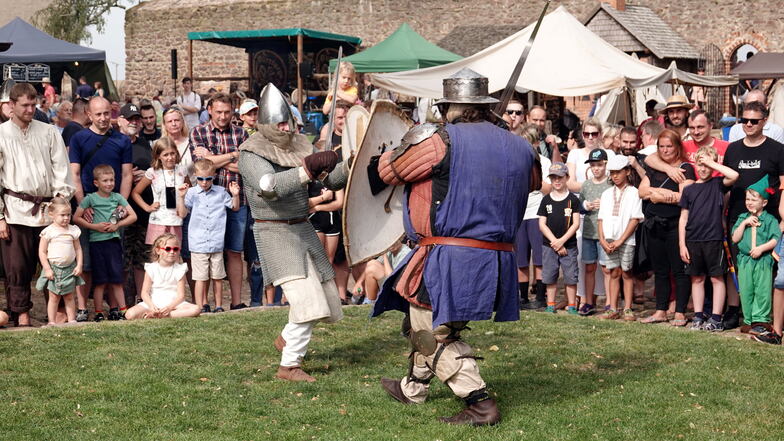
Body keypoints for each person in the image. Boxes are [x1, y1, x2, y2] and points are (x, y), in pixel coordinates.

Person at [371, 68, 535, 425]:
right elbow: (532, 181)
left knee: (426, 328)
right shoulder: (522, 146)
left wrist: (374, 158)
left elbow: (386, 172)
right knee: (443, 327)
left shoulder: (440, 140)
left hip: (450, 255)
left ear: (450, 108)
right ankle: (412, 387)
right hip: (497, 257)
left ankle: (479, 402)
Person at [238, 82, 348, 383]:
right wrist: (307, 170)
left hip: (303, 228)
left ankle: (287, 337)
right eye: (281, 123)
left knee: (324, 297)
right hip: (275, 233)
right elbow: (268, 187)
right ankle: (289, 366)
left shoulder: (301, 144)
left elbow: (331, 182)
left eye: (289, 121)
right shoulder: (250, 153)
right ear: (266, 123)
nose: (286, 128)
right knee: (307, 301)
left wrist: (350, 163)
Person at [0, 82, 74, 327]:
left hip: (47, 209)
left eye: (33, 104)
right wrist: (0, 216)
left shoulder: (49, 131)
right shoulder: (1, 134)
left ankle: (57, 312)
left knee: (54, 261)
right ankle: (21, 314)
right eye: (25, 105)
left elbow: (62, 171)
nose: (30, 110)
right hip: (15, 210)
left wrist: (60, 204)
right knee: (18, 267)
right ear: (11, 105)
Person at [722, 101, 784, 329]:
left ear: (764, 121)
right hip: (738, 217)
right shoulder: (733, 148)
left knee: (767, 269)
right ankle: (735, 311)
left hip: (768, 219)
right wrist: (722, 216)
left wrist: (783, 218)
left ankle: (765, 315)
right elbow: (726, 187)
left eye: (754, 121)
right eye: (744, 120)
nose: (748, 124)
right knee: (737, 266)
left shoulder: (777, 150)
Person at [189, 92, 249, 310]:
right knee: (206, 254)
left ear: (233, 111)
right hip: (206, 203)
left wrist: (214, 160)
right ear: (210, 111)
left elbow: (246, 166)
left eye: (227, 112)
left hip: (236, 200)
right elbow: (201, 166)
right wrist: (233, 155)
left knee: (234, 251)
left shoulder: (242, 134)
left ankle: (235, 301)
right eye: (219, 112)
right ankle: (204, 303)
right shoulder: (198, 132)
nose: (223, 116)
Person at [678, 146, 738, 331]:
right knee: (696, 279)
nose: (703, 169)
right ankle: (698, 316)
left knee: (717, 278)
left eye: (707, 165)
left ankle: (716, 318)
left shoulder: (718, 184)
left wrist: (712, 163)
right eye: (700, 164)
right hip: (693, 240)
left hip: (714, 239)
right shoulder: (689, 190)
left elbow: (734, 176)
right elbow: (683, 218)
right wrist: (682, 244)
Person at [639, 130, 695, 326]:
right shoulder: (655, 168)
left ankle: (680, 312)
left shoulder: (684, 168)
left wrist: (661, 196)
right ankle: (660, 310)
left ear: (677, 146)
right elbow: (642, 191)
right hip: (654, 225)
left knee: (679, 270)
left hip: (675, 225)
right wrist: (660, 191)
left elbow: (686, 197)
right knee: (660, 270)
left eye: (669, 146)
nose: (665, 150)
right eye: (662, 146)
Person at [73, 165, 138, 321]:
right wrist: (93, 226)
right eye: (105, 181)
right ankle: (99, 313)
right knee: (100, 281)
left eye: (112, 180)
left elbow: (133, 216)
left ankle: (122, 312)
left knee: (117, 279)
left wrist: (117, 225)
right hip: (97, 244)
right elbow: (76, 218)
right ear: (96, 183)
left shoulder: (117, 197)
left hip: (113, 243)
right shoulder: (90, 198)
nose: (109, 183)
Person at [177, 159, 240, 313]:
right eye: (200, 179)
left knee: (217, 276)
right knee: (200, 277)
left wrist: (235, 195)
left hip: (216, 241)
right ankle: (200, 306)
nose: (204, 183)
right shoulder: (191, 192)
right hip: (198, 243)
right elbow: (183, 213)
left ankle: (218, 305)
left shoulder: (220, 192)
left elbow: (234, 207)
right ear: (195, 176)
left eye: (208, 179)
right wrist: (181, 197)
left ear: (214, 176)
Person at [732, 177, 780, 335]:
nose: (750, 202)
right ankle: (748, 320)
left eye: (754, 199)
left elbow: (776, 238)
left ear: (764, 203)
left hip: (762, 260)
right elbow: (735, 238)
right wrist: (745, 223)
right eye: (747, 199)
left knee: (762, 290)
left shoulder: (769, 220)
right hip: (745, 261)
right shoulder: (741, 218)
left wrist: (762, 248)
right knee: (746, 290)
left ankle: (761, 321)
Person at [597, 155, 643, 321]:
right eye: (612, 173)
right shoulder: (607, 193)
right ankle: (612, 308)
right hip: (609, 240)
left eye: (618, 172)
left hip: (626, 240)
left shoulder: (634, 192)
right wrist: (602, 239)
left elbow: (635, 219)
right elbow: (600, 219)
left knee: (627, 272)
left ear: (627, 172)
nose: (615, 176)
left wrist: (621, 240)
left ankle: (628, 308)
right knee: (613, 272)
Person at [124, 233, 201, 320]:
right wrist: (151, 306)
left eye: (175, 249)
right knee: (129, 314)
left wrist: (169, 308)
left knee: (196, 309)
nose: (172, 252)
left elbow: (181, 296)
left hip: (174, 304)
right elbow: (144, 293)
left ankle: (164, 315)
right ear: (158, 250)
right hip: (154, 302)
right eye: (167, 249)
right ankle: (154, 312)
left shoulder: (180, 269)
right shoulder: (151, 268)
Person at [516, 124, 551, 310]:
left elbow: (549, 188)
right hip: (520, 213)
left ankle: (540, 296)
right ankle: (522, 297)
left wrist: (533, 179)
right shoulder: (514, 160)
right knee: (521, 258)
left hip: (538, 212)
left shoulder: (543, 162)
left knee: (539, 258)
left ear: (536, 143)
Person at [539, 162, 581, 314]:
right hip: (549, 246)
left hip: (568, 246)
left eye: (560, 177)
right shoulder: (546, 200)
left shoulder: (573, 200)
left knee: (570, 277)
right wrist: (555, 242)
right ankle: (551, 304)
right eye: (553, 178)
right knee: (550, 276)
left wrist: (562, 241)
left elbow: (575, 224)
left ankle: (571, 306)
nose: (557, 181)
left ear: (567, 177)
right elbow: (542, 224)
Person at [36, 198, 84, 326]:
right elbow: (42, 252)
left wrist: (79, 265)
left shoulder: (73, 230)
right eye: (62, 215)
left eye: (68, 215)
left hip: (70, 268)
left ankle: (72, 320)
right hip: (54, 269)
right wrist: (47, 268)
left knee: (69, 296)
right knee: (54, 297)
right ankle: (52, 321)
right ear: (51, 215)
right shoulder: (48, 231)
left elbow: (78, 249)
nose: (66, 218)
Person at [132, 137, 187, 244]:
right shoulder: (153, 172)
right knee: (157, 254)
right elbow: (135, 193)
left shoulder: (182, 171)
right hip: (158, 219)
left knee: (173, 252)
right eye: (165, 155)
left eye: (172, 153)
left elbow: (188, 191)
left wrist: (183, 203)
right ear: (158, 156)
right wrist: (147, 207)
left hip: (176, 219)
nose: (170, 158)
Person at [578, 149, 612, 316]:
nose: (596, 168)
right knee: (589, 267)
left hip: (605, 233)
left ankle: (609, 302)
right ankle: (588, 301)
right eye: (593, 165)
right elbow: (579, 206)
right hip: (588, 232)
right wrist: (586, 206)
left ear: (605, 164)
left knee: (607, 268)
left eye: (599, 165)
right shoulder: (586, 185)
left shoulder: (611, 183)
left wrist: (604, 205)